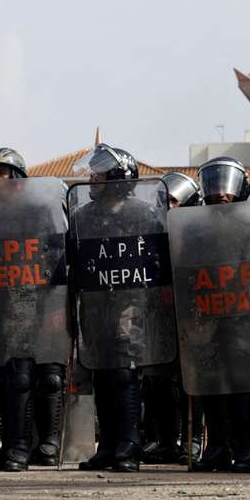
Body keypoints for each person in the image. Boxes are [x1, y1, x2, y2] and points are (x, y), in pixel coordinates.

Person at [70, 144, 173, 472]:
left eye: (99, 173)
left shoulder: (143, 215)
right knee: (101, 371)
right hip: (95, 307)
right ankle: (109, 445)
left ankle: (129, 446)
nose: (93, 178)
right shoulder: (82, 217)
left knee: (124, 372)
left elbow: (159, 263)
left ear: (117, 177)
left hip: (133, 308)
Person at [0, 148, 68, 471]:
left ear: (16, 178)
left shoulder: (39, 212)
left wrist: (55, 305)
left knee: (29, 376)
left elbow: (56, 260)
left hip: (34, 302)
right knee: (2, 378)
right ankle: (14, 444)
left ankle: (23, 448)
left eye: (1, 173)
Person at [186, 156, 250, 472]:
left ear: (241, 188)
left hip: (242, 317)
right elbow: (186, 270)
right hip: (206, 316)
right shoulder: (195, 227)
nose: (220, 192)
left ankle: (247, 449)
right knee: (210, 384)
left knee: (242, 384)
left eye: (226, 184)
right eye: (213, 184)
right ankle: (216, 447)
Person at [142, 171, 201, 465]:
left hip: (194, 318)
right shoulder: (151, 233)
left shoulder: (199, 233)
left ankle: (194, 442)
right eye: (164, 200)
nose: (168, 206)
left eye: (175, 201)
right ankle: (166, 441)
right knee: (158, 382)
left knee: (192, 382)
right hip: (159, 317)